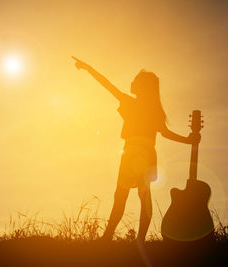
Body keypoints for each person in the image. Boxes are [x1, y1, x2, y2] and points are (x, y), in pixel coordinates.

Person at [72, 56, 201, 242]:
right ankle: (138, 239)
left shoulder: (131, 102)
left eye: (136, 81)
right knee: (143, 196)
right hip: (146, 152)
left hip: (132, 151)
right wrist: (188, 141)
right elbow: (166, 133)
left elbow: (107, 85)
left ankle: (108, 237)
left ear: (142, 86)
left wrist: (88, 68)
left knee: (122, 195)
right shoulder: (154, 109)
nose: (132, 82)